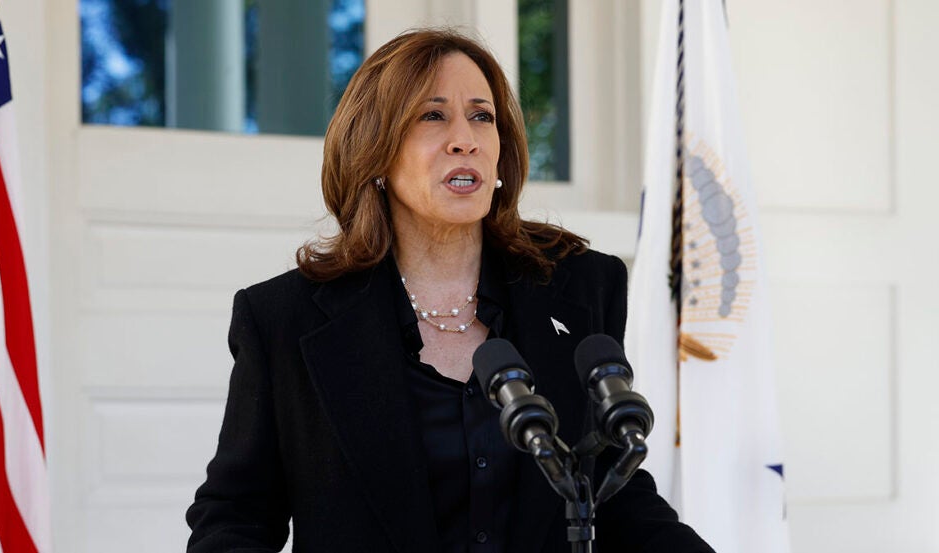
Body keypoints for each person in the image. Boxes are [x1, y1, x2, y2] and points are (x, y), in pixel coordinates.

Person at [186, 28, 713, 553]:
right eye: (432, 116)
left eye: (482, 116)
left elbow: (611, 494)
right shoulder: (283, 319)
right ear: (375, 151)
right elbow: (234, 520)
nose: (466, 139)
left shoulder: (582, 288)